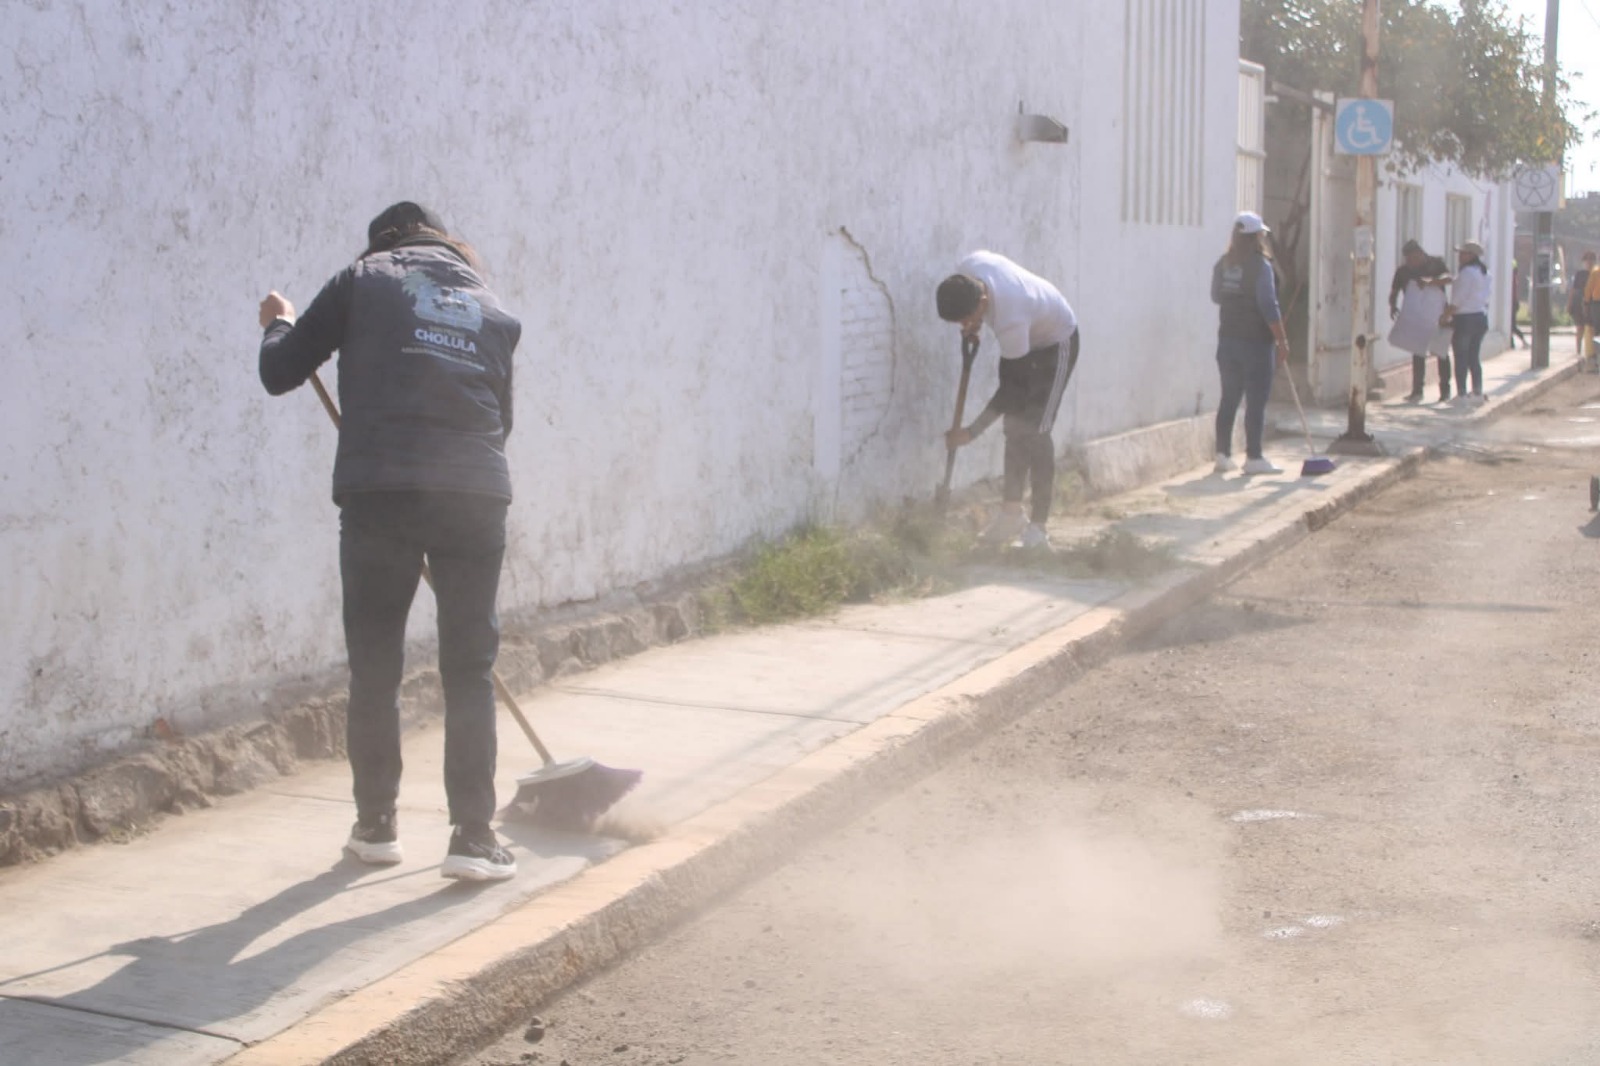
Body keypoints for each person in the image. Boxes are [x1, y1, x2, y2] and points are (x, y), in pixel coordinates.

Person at [257, 202, 523, 882]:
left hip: (381, 493)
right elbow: (502, 422)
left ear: (383, 243)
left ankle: (376, 828)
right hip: (473, 494)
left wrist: (278, 324)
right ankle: (472, 836)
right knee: (469, 666)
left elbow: (281, 371)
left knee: (375, 667)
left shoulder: (360, 279)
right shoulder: (491, 308)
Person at [936, 252, 1080, 549]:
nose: (963, 325)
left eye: (967, 319)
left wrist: (971, 432)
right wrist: (974, 325)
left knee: (1036, 429)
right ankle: (1011, 514)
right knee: (1015, 428)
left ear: (983, 304)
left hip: (1056, 341)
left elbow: (1011, 390)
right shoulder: (968, 268)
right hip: (1029, 324)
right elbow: (1012, 397)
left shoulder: (1010, 319)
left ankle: (1038, 529)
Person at [1209, 211, 1289, 474]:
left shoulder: (1223, 264)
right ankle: (1254, 457)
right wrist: (1282, 340)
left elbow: (1216, 297)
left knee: (1229, 398)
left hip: (1228, 341)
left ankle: (1222, 455)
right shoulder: (1260, 266)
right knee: (1256, 400)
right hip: (1255, 343)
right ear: (1256, 237)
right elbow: (1269, 305)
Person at [1387, 239, 1453, 404]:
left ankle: (1445, 391)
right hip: (1416, 317)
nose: (1410, 262)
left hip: (1439, 316)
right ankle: (1417, 391)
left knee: (1441, 353)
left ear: (1420, 254)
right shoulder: (1403, 271)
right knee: (1417, 353)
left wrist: (1430, 282)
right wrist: (1392, 306)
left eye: (1412, 258)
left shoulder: (1435, 264)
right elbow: (1394, 291)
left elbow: (1448, 278)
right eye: (1407, 259)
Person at [1446, 240, 1490, 404]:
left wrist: (1446, 315)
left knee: (1461, 357)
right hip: (1480, 317)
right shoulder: (1484, 273)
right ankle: (1477, 391)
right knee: (1473, 357)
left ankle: (1462, 394)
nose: (1460, 256)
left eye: (1463, 253)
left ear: (1471, 255)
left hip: (1465, 318)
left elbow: (1458, 299)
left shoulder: (1466, 273)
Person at [1570, 251, 1595, 360]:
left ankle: (1592, 352)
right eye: (1587, 259)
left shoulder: (1596, 273)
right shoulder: (1580, 274)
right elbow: (1573, 290)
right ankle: (1578, 351)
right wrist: (1569, 303)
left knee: (1592, 329)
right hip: (1579, 302)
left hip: (1592, 303)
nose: (1589, 262)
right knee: (1580, 327)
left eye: (1591, 259)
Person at [1510, 262, 1527, 349]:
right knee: (1510, 325)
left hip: (1512, 303)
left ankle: (1523, 340)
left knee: (1512, 325)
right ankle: (1511, 343)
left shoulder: (1512, 278)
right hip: (1513, 303)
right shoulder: (1514, 278)